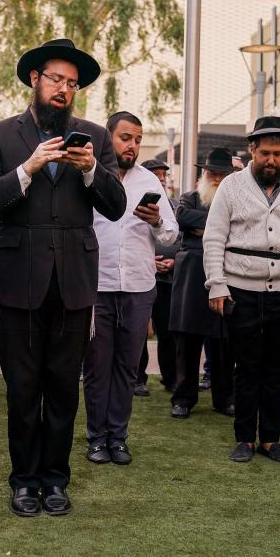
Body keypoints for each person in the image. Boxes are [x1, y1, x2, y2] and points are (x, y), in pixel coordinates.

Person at [0, 38, 126, 517]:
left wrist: (91, 171)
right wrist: (27, 169)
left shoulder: (96, 137)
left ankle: (56, 481)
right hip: (20, 282)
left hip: (75, 282)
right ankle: (23, 481)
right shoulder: (0, 135)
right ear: (35, 79)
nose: (64, 90)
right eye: (57, 79)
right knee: (22, 388)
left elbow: (116, 206)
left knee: (62, 387)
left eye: (73, 84)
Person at [204, 116, 280, 464]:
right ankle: (244, 438)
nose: (271, 161)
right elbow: (214, 239)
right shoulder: (230, 186)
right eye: (264, 154)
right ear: (252, 150)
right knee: (245, 368)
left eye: (277, 153)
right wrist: (217, 285)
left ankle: (270, 439)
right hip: (240, 291)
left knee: (278, 369)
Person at [83, 111, 177, 466]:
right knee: (96, 366)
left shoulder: (149, 179)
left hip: (139, 287)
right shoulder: (89, 177)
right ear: (108, 138)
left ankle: (118, 438)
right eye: (126, 137)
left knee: (126, 367)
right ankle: (96, 438)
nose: (133, 145)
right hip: (97, 286)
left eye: (137, 139)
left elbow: (171, 234)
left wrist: (156, 221)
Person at [168, 148, 237, 419]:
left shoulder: (236, 199)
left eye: (223, 174)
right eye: (214, 173)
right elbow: (183, 218)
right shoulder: (189, 197)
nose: (218, 179)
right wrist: (219, 224)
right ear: (205, 174)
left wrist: (204, 227)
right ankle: (183, 399)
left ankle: (224, 399)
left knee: (224, 344)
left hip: (224, 274)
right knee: (187, 342)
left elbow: (235, 224)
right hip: (191, 278)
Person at [136, 158, 178, 396]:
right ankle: (138, 378)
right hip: (142, 276)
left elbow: (178, 238)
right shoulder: (132, 203)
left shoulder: (173, 204)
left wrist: (172, 263)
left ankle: (171, 377)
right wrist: (150, 261)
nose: (161, 179)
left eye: (163, 175)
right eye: (156, 174)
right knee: (139, 330)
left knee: (167, 332)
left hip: (168, 280)